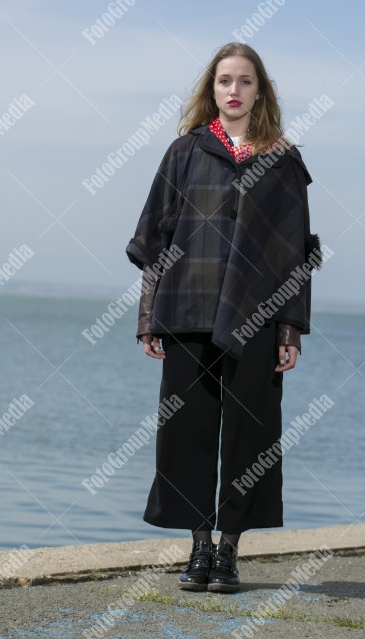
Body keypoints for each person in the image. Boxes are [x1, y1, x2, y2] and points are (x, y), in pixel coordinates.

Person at [125, 42, 321, 593]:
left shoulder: (284, 161)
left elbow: (295, 255)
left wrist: (289, 330)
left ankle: (231, 550)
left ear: (261, 91)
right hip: (186, 312)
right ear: (211, 90)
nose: (233, 91)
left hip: (257, 320)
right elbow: (155, 237)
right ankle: (199, 546)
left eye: (245, 81)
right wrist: (148, 317)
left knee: (250, 436)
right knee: (186, 433)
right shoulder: (184, 153)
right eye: (223, 81)